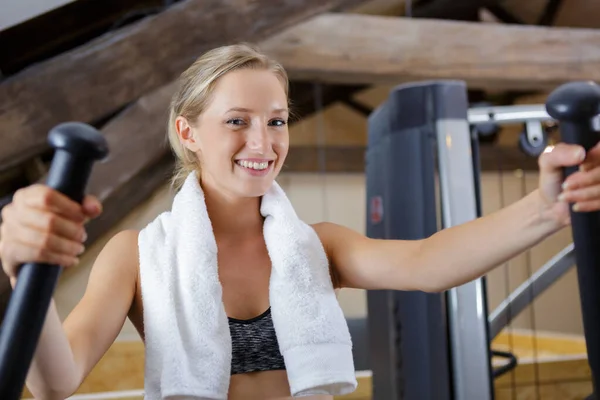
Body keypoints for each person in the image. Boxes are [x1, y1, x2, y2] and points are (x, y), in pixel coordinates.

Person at [1, 43, 600, 400]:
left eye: (278, 121)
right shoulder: (137, 255)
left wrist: (546, 208)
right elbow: (57, 380)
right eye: (237, 120)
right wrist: (21, 271)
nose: (263, 141)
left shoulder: (314, 246)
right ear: (188, 132)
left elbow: (429, 264)